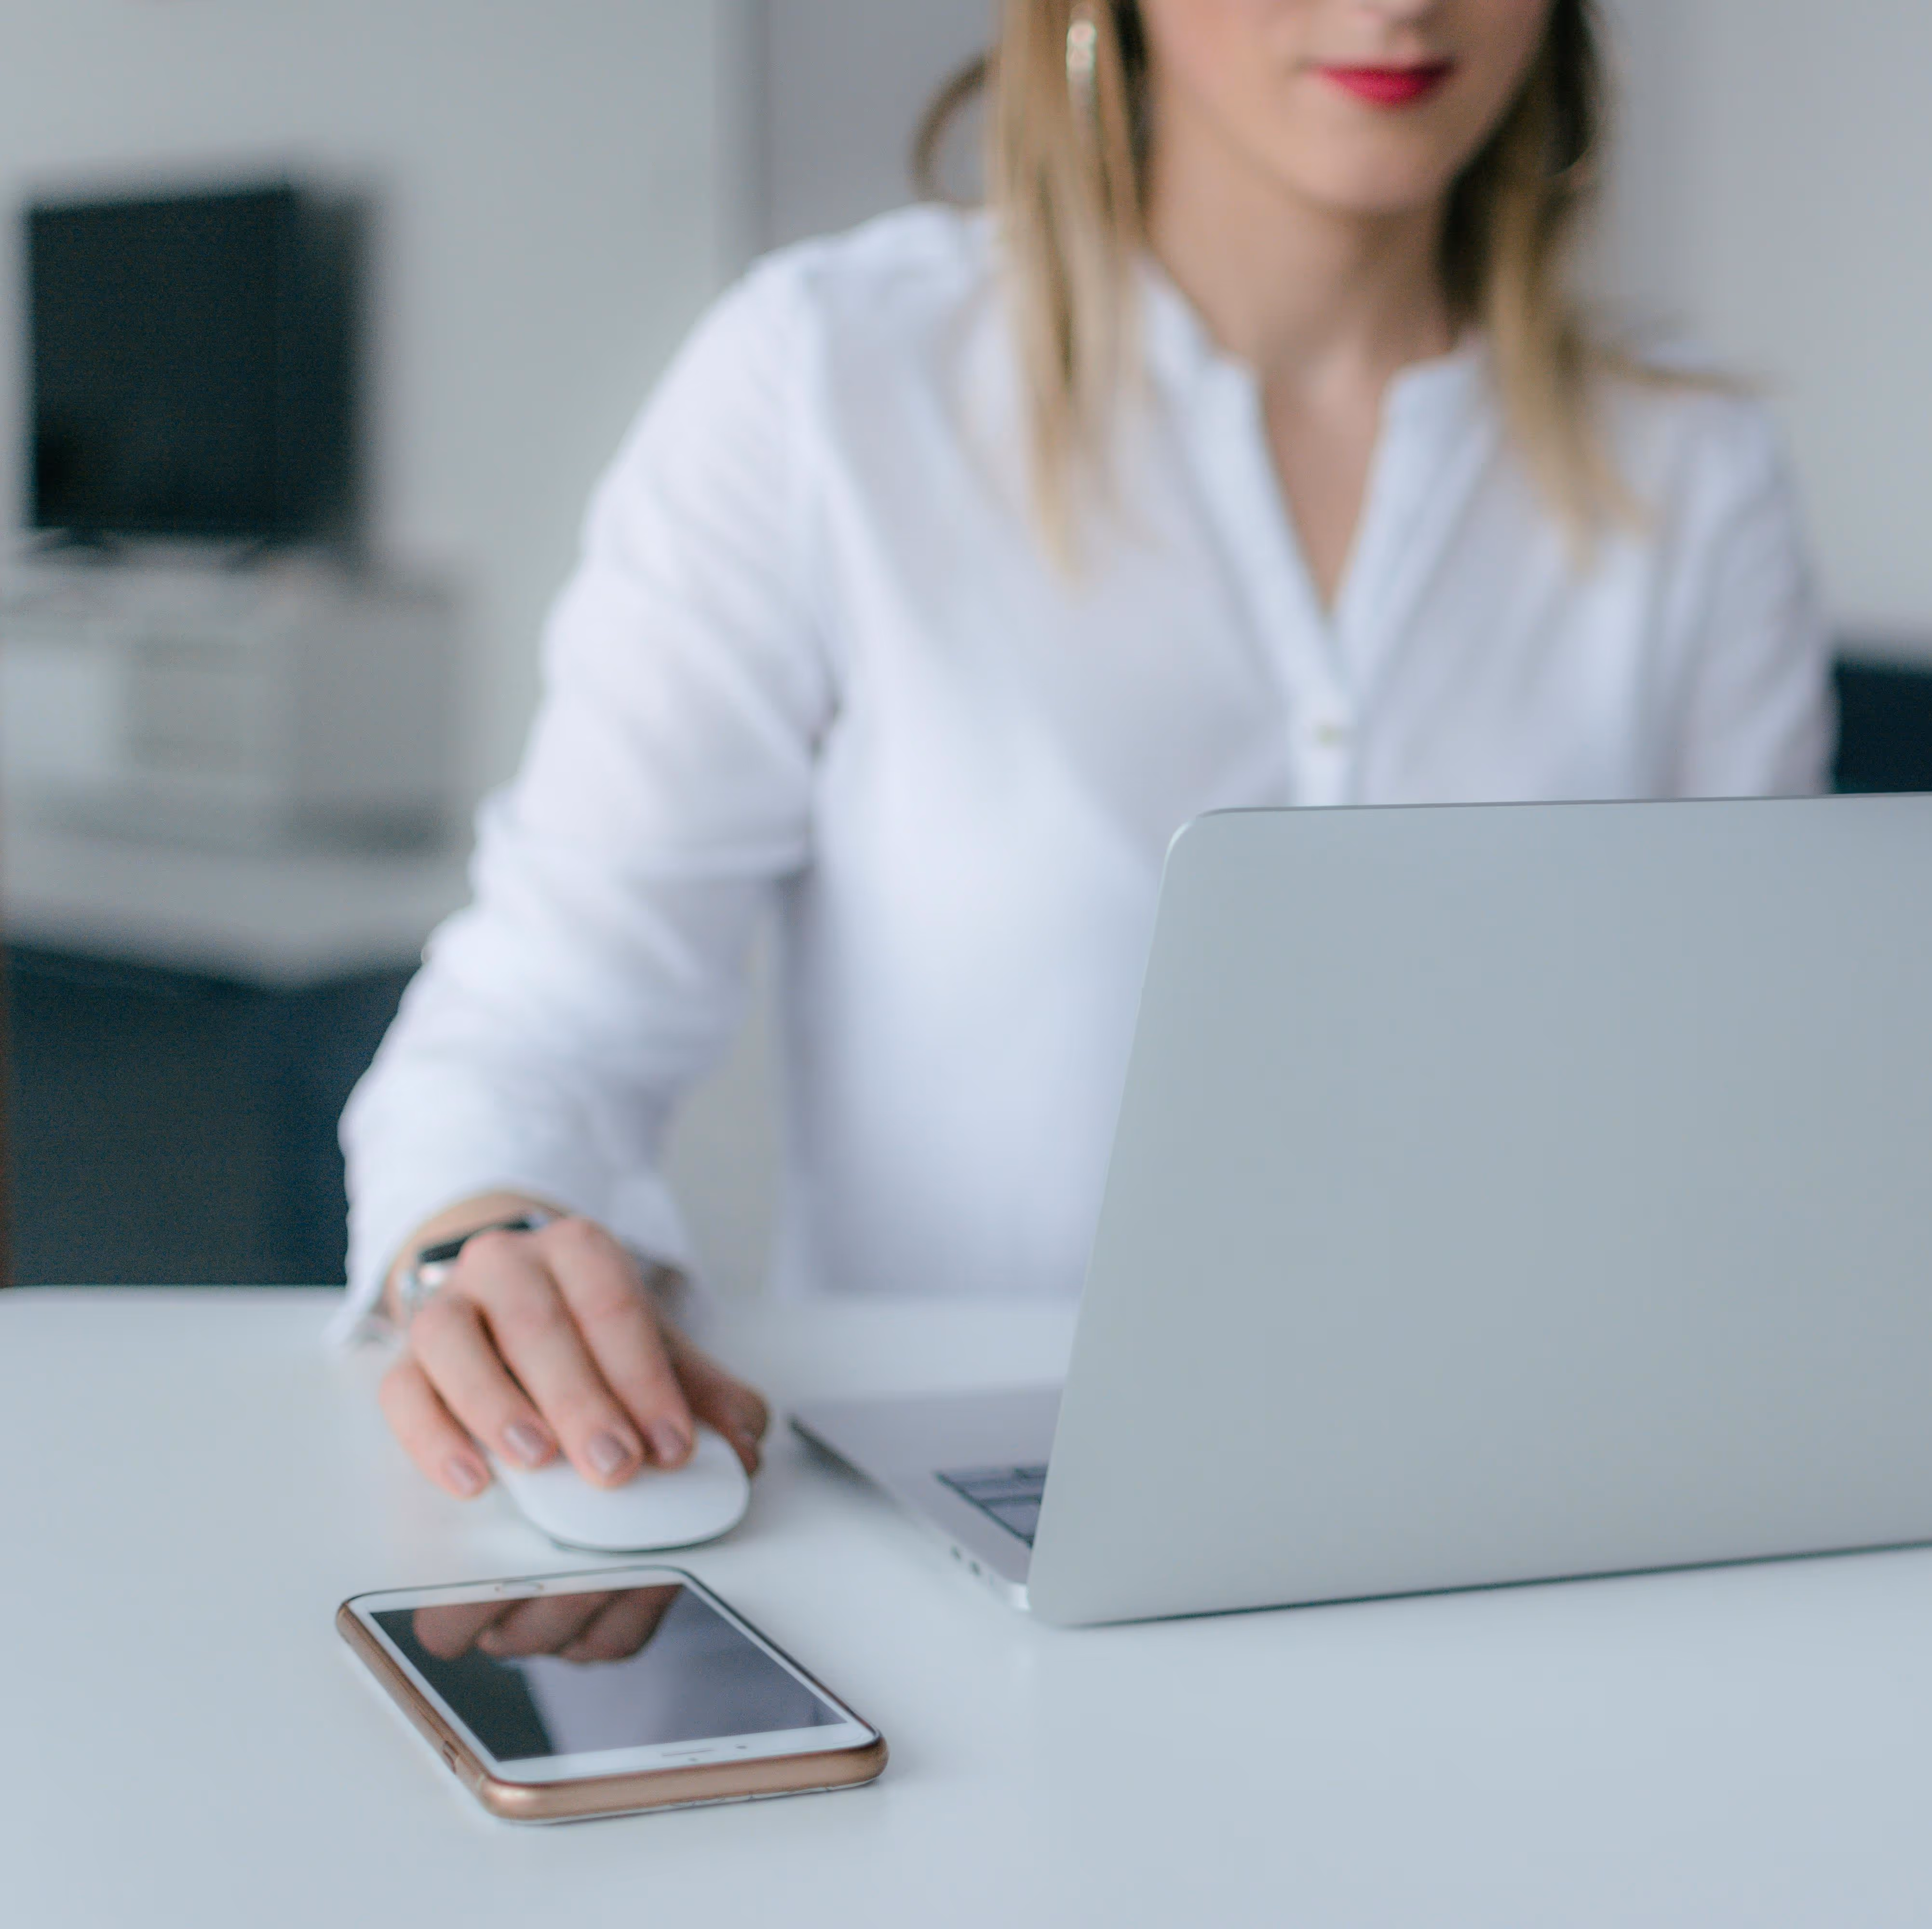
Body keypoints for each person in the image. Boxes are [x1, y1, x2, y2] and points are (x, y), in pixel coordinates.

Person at [339, 0, 1832, 1502]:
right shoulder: (828, 385)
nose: (1398, 4)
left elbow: (1754, 1111)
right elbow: (540, 1025)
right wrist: (485, 1245)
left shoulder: (1693, 475)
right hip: (971, 1511)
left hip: (1535, 1500)